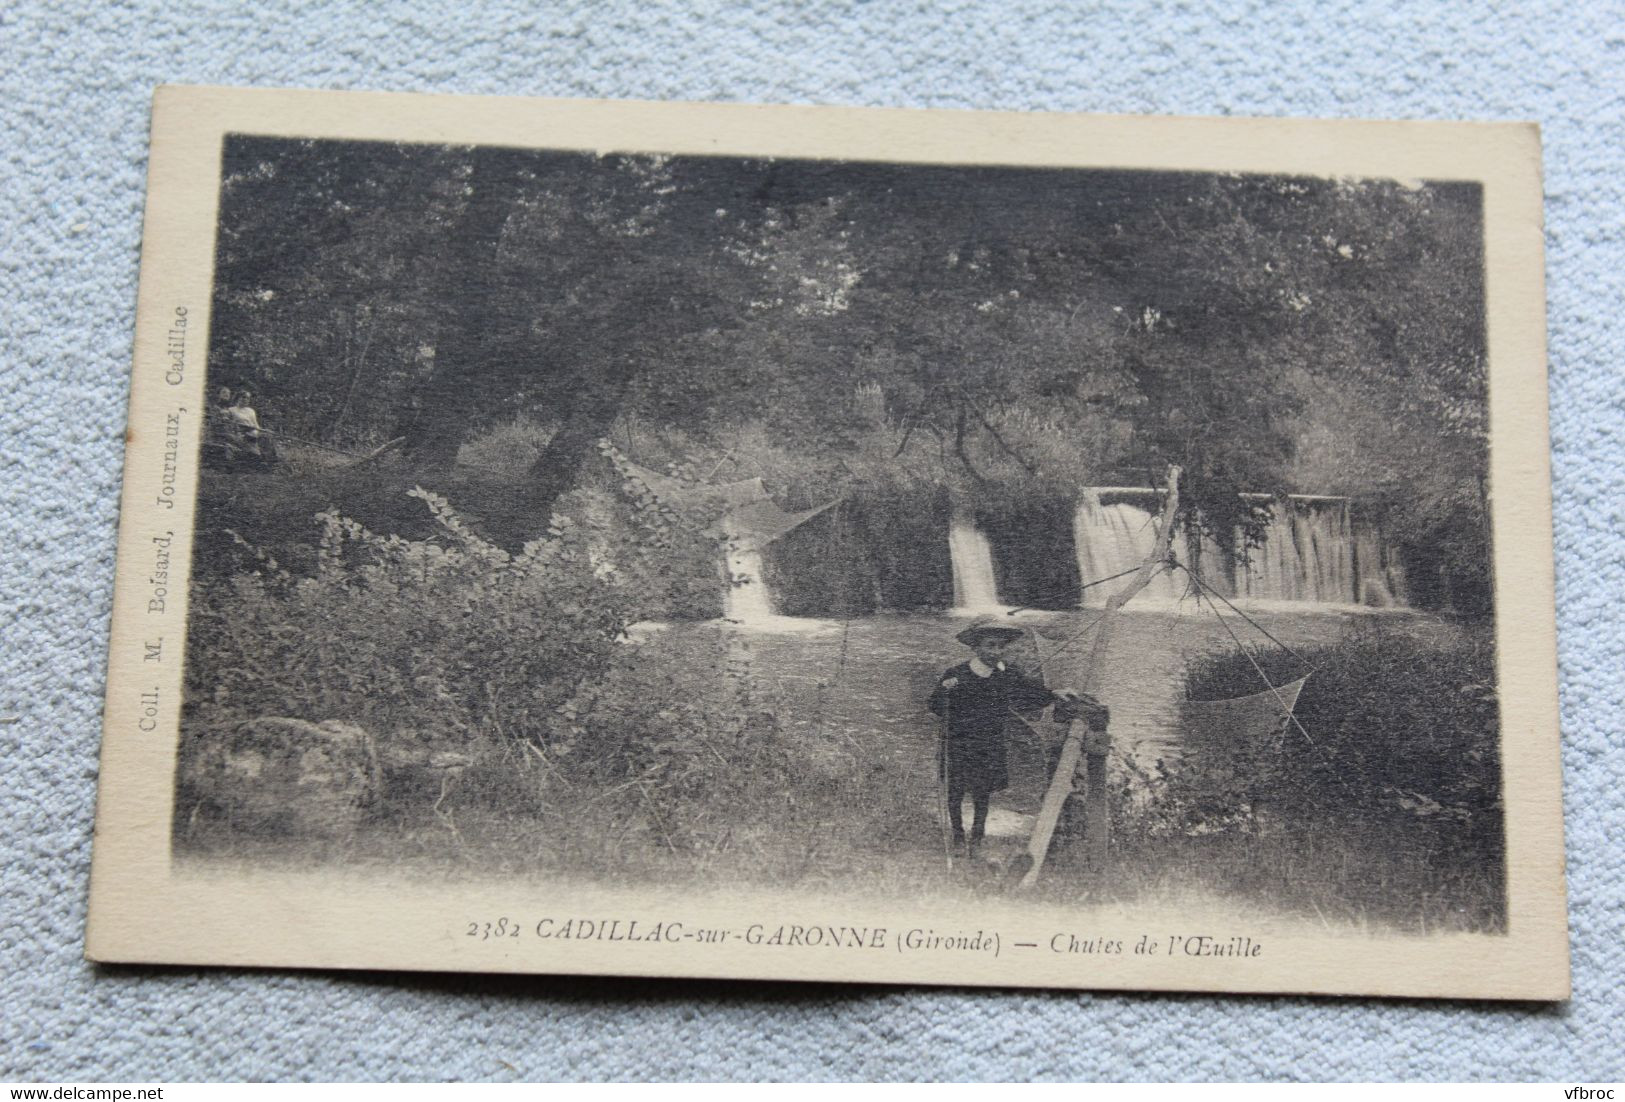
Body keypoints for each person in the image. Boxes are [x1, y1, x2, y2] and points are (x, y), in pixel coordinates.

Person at [927, 620, 1084, 858]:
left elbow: (1029, 692)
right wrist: (945, 692)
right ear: (976, 648)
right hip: (959, 741)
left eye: (1001, 647)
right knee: (955, 789)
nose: (996, 652)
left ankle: (977, 836)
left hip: (990, 741)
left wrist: (1054, 694)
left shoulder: (1006, 673)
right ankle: (958, 834)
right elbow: (935, 705)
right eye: (990, 646)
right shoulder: (956, 675)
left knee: (983, 790)